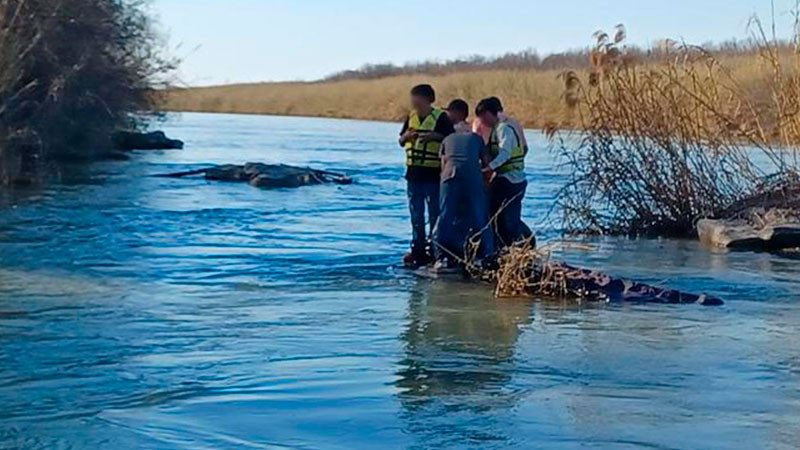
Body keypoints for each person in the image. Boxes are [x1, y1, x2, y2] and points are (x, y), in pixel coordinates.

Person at [432, 100, 495, 271]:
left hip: (449, 177)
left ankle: (441, 257)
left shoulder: (447, 138)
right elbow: (486, 163)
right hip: (472, 177)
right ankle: (487, 256)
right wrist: (486, 184)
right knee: (480, 216)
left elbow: (443, 164)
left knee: (445, 217)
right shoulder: (476, 138)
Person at [399, 84, 455, 267]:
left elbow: (452, 141)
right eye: (413, 100)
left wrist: (435, 137)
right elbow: (400, 140)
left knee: (434, 215)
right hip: (413, 174)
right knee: (416, 215)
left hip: (432, 174)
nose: (414, 104)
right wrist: (406, 136)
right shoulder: (411, 117)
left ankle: (435, 250)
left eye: (417, 100)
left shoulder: (441, 118)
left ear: (428, 100)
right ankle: (417, 250)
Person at [476, 97, 533, 248]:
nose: (482, 122)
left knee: (509, 219)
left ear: (488, 113)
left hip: (512, 180)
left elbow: (505, 153)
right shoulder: (496, 129)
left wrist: (490, 168)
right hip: (503, 179)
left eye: (482, 117)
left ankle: (520, 247)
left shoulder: (504, 129)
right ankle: (503, 247)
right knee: (497, 216)